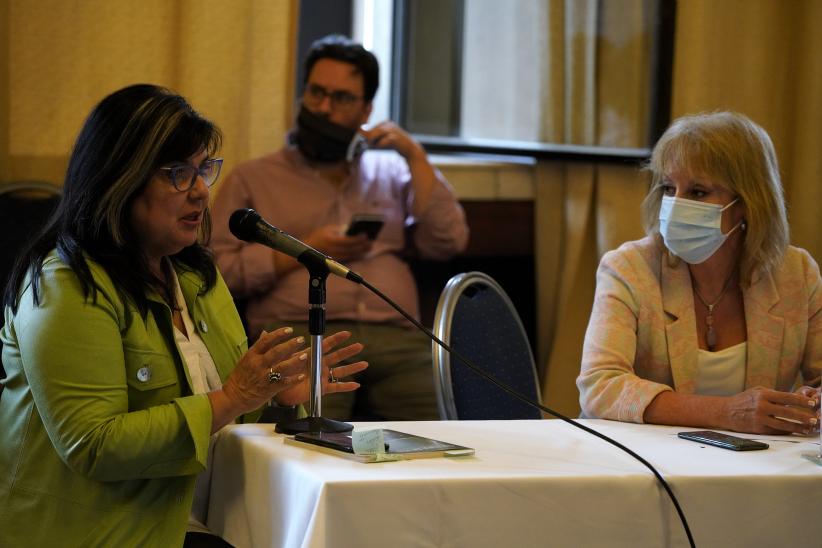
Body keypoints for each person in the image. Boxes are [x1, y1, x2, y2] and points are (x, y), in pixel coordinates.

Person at [0, 84, 367, 547]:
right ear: (120, 179)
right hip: (102, 533)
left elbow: (225, 420)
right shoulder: (66, 286)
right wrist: (234, 396)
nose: (200, 193)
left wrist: (276, 394)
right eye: (177, 174)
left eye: (203, 170)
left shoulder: (197, 276)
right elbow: (93, 445)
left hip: (207, 521)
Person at [211, 35, 469, 422]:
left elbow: (448, 241)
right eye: (316, 93)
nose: (324, 108)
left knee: (448, 440)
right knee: (314, 444)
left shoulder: (393, 173)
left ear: (366, 110)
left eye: (342, 98)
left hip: (399, 338)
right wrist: (302, 251)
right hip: (300, 337)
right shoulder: (253, 177)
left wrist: (415, 156)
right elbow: (217, 272)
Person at [577, 111, 821, 435]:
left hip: (755, 469)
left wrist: (813, 402)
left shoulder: (796, 274)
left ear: (747, 202)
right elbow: (600, 386)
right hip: (642, 467)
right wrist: (729, 413)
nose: (675, 205)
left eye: (698, 192)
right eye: (667, 187)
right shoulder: (629, 268)